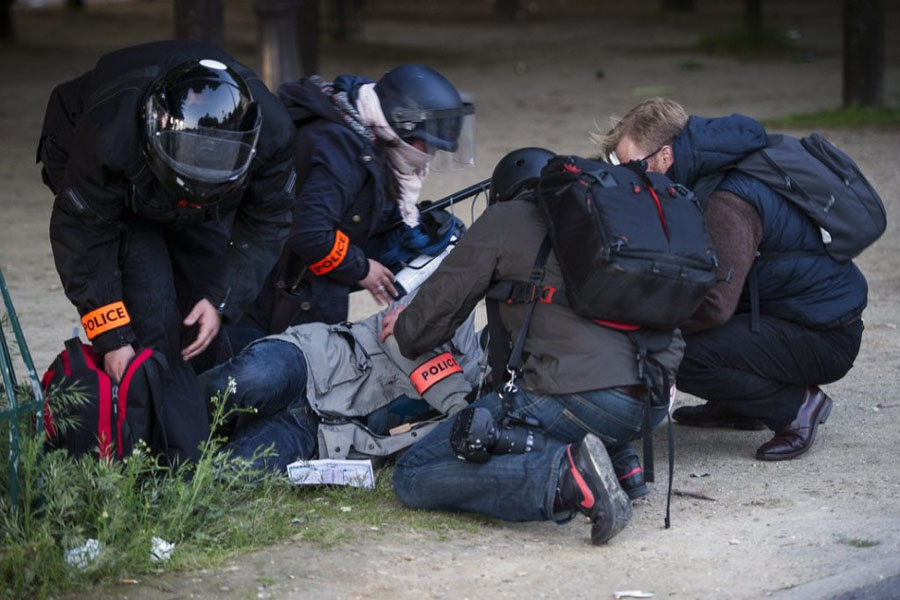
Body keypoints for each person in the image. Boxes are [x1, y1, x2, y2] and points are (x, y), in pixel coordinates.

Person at [380, 147, 685, 545]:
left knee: (414, 475)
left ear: (503, 193)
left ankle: (567, 478)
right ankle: (618, 457)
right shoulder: (608, 219)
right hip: (653, 399)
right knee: (583, 360)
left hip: (582, 398)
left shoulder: (506, 219)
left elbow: (423, 326)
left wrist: (402, 324)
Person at [36, 41, 296, 464]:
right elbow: (84, 233)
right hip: (104, 169)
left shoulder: (273, 135)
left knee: (205, 313)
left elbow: (269, 222)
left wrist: (220, 299)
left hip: (198, 190)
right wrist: (112, 336)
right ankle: (159, 457)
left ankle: (197, 424)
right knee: (152, 311)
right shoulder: (108, 137)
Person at [601, 98, 867, 461]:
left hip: (824, 334)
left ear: (665, 157)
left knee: (673, 352)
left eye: (630, 165)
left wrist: (639, 325)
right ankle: (740, 403)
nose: (622, 176)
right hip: (788, 315)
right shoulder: (702, 174)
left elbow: (714, 306)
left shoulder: (726, 202)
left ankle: (798, 406)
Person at [232, 64, 476, 352]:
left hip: (293, 282)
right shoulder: (343, 150)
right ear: (403, 125)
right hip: (267, 297)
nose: (432, 155)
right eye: (430, 145)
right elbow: (308, 233)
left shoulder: (365, 130)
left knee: (441, 235)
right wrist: (362, 269)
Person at [199, 293, 484, 475]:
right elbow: (401, 337)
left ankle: (163, 474)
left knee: (232, 471)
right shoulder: (457, 296)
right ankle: (160, 421)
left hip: (326, 434)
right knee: (247, 380)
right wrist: (463, 406)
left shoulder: (492, 406)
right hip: (315, 362)